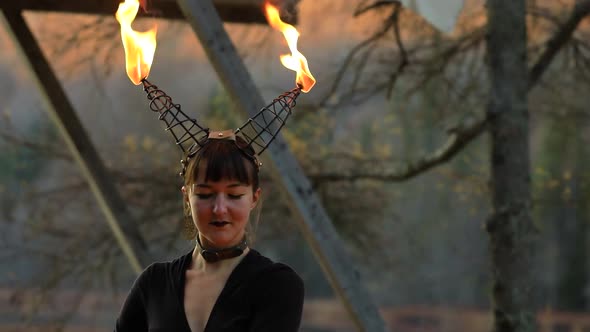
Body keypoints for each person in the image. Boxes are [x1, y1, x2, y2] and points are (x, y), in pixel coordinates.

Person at [114, 130, 305, 332]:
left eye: (234, 195)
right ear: (187, 198)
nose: (219, 209)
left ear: (254, 198)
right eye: (205, 195)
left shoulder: (277, 286)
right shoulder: (153, 284)